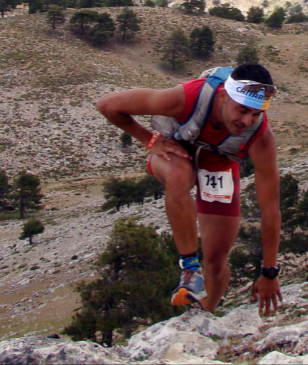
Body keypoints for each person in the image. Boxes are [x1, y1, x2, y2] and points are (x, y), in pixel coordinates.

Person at [96, 63, 283, 316]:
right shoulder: (187, 97)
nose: (247, 121)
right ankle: (190, 268)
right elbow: (107, 105)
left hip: (219, 168)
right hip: (174, 154)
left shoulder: (260, 136)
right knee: (178, 173)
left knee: (216, 261)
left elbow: (270, 207)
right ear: (223, 96)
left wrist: (270, 271)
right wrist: (150, 140)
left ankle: (203, 318)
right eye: (242, 110)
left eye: (256, 114)